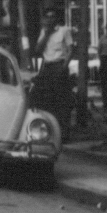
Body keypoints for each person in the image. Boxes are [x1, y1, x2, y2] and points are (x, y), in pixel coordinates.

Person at [33, 8, 75, 136]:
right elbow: (38, 50)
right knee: (45, 99)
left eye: (53, 16)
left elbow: (71, 50)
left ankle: (63, 131)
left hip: (59, 66)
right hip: (47, 67)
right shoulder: (44, 32)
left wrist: (64, 67)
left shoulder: (64, 31)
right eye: (47, 16)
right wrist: (46, 34)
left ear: (57, 18)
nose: (50, 19)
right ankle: (48, 129)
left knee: (61, 100)